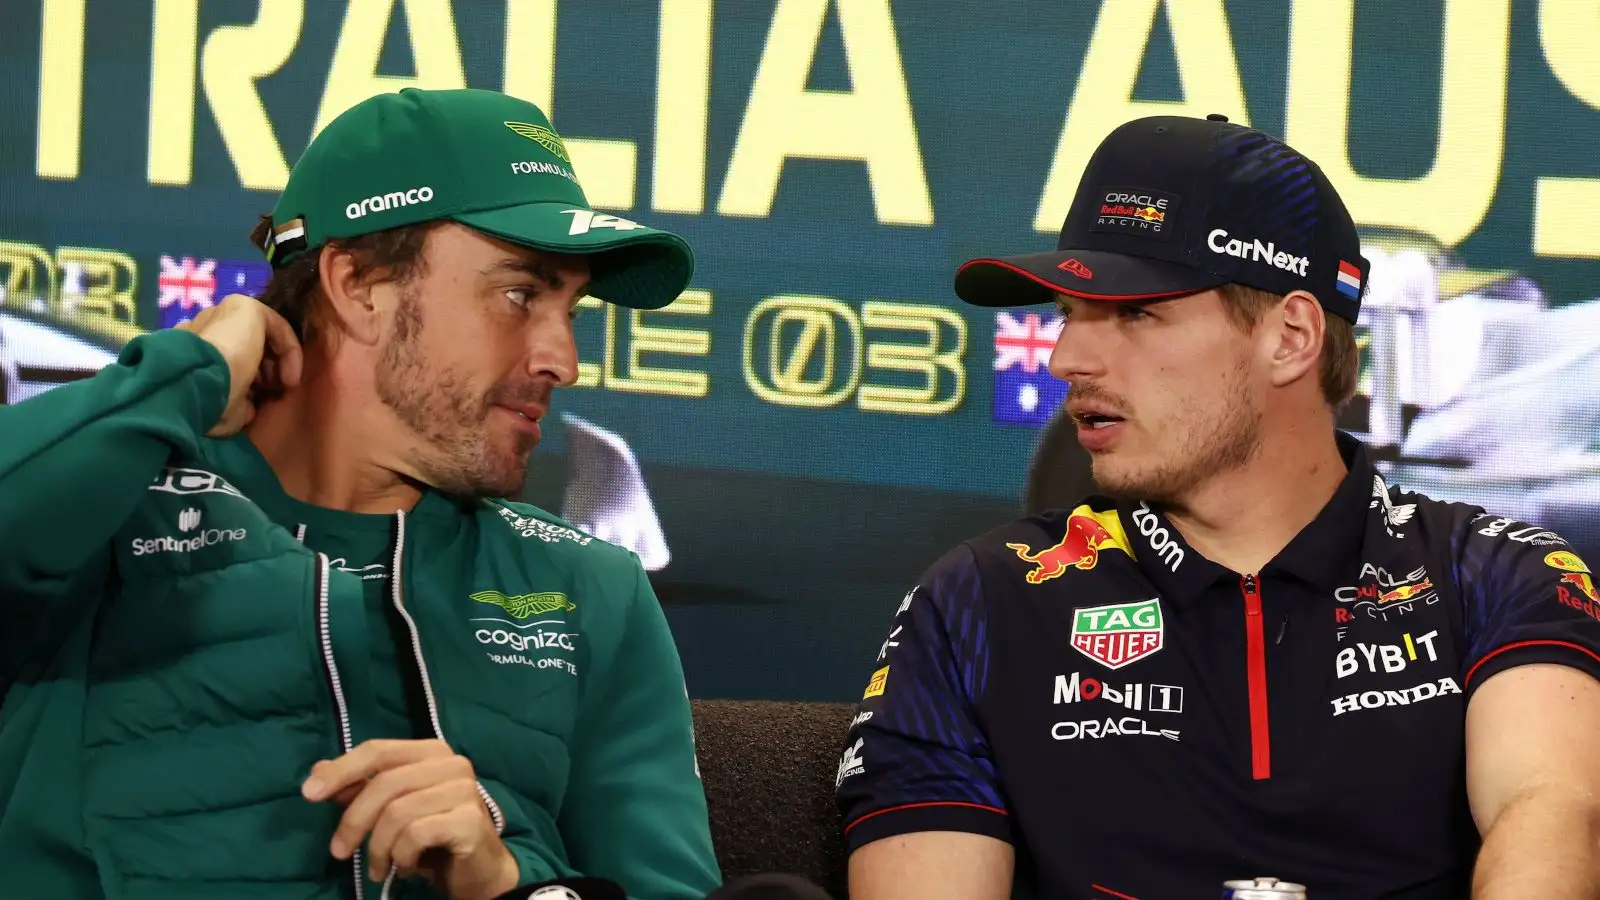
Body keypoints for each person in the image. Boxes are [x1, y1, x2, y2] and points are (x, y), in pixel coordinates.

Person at [836, 113, 1600, 899]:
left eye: (1137, 313)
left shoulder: (1501, 572)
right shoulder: (979, 600)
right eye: (1070, 315)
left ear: (1291, 337)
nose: (1068, 359)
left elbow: (1548, 810)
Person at [0, 87, 722, 900]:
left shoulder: (589, 588)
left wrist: (506, 880)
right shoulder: (101, 513)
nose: (563, 358)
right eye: (521, 294)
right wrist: (187, 373)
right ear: (358, 286)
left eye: (571, 309)